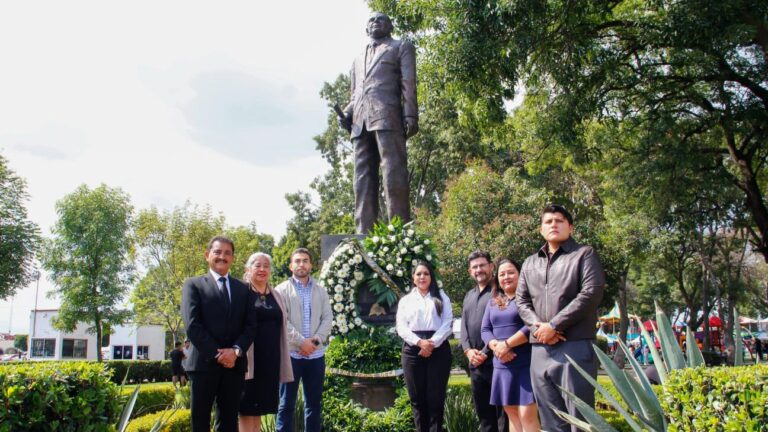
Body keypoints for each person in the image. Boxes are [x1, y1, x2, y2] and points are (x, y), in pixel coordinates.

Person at [516, 205, 605, 432]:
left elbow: (591, 293)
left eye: (559, 220)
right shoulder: (529, 263)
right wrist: (540, 329)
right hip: (540, 349)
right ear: (541, 229)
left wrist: (554, 325)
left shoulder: (584, 254)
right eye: (548, 221)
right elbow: (522, 302)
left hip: (575, 346)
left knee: (580, 419)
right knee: (551, 420)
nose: (553, 224)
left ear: (570, 227)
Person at [341, 12, 418, 234]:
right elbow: (356, 93)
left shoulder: (400, 47)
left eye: (381, 20)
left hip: (388, 117)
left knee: (393, 174)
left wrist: (410, 114)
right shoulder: (357, 58)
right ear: (366, 28)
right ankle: (363, 233)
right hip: (360, 122)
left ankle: (399, 231)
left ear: (390, 26)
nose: (376, 23)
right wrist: (347, 113)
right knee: (362, 179)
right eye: (371, 20)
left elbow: (408, 83)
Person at [181, 236, 258, 432]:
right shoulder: (193, 285)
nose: (222, 256)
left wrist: (235, 352)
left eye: (227, 253)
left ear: (232, 258)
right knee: (200, 422)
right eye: (217, 252)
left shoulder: (244, 289)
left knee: (229, 423)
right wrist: (219, 354)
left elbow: (250, 326)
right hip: (203, 365)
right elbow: (192, 325)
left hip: (234, 366)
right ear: (207, 255)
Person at [274, 248, 333, 432]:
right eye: (297, 261)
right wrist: (302, 343)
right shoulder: (281, 290)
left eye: (305, 260)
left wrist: (314, 342)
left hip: (315, 356)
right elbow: (282, 321)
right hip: (291, 356)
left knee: (314, 405)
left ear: (311, 265)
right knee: (286, 405)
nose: (301, 264)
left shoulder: (321, 290)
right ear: (291, 265)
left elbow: (328, 319)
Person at [481, 258, 539, 432]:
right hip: (501, 364)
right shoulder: (493, 301)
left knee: (527, 414)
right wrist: (497, 347)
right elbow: (485, 329)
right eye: (502, 274)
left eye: (511, 272)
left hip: (525, 363)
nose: (506, 277)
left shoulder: (529, 299)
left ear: (520, 275)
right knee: (512, 414)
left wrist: (507, 344)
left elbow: (531, 326)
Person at [239, 252, 294, 432]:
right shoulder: (242, 292)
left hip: (270, 362)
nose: (262, 269)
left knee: (260, 410)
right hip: (248, 362)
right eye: (257, 265)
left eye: (266, 266)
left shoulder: (276, 295)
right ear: (248, 269)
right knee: (246, 410)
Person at [396, 261, 453, 432]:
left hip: (439, 348)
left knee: (436, 398)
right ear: (413, 278)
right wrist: (420, 343)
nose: (422, 277)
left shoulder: (442, 297)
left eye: (426, 273)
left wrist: (431, 343)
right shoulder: (406, 300)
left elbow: (448, 322)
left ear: (431, 277)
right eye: (418, 274)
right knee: (417, 399)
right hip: (413, 349)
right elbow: (401, 327)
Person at [461, 250, 507, 432]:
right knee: (484, 416)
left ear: (491, 267)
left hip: (497, 361)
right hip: (475, 365)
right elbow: (464, 326)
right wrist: (467, 351)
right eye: (474, 267)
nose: (479, 270)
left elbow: (503, 327)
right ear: (470, 271)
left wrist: (485, 352)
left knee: (502, 415)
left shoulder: (500, 292)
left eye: (482, 265)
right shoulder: (469, 296)